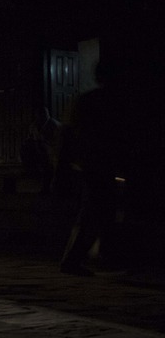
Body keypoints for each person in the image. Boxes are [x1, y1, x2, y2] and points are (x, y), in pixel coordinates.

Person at [59, 61, 129, 276]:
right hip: (98, 163)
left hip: (89, 162)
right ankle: (74, 259)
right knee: (94, 211)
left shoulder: (86, 100)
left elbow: (68, 134)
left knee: (102, 210)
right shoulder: (108, 102)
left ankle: (103, 256)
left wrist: (66, 162)